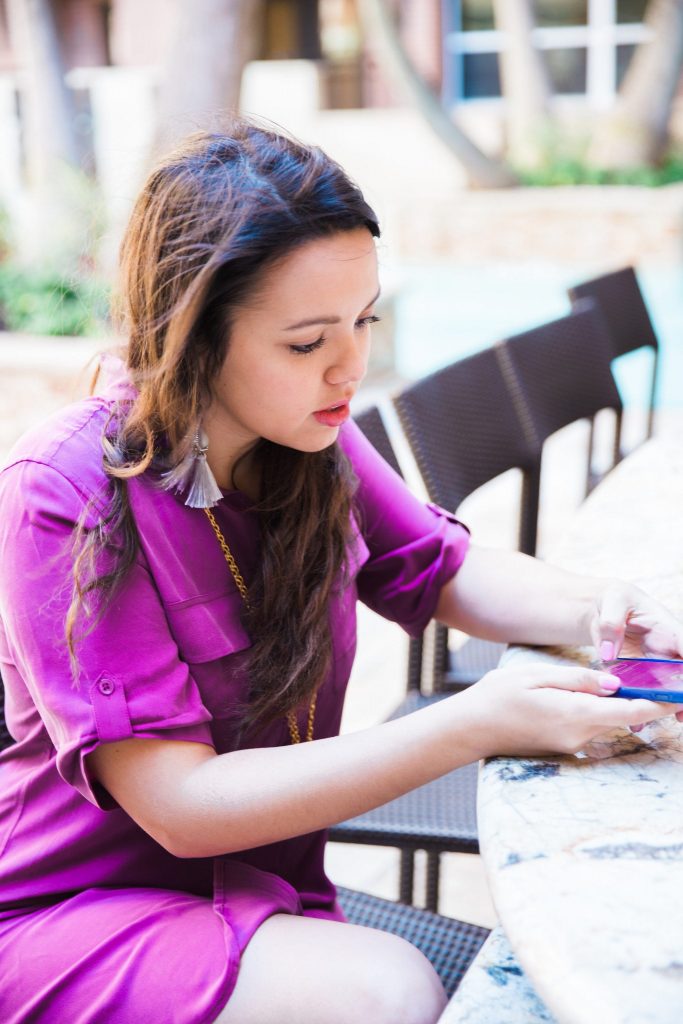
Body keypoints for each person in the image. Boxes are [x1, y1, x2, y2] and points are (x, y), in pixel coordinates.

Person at [0, 119, 681, 1024]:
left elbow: (441, 569)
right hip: (74, 913)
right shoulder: (67, 492)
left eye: (364, 320)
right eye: (305, 341)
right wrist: (471, 725)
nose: (349, 365)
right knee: (388, 991)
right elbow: (180, 807)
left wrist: (606, 608)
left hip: (258, 882)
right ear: (193, 334)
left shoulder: (307, 438)